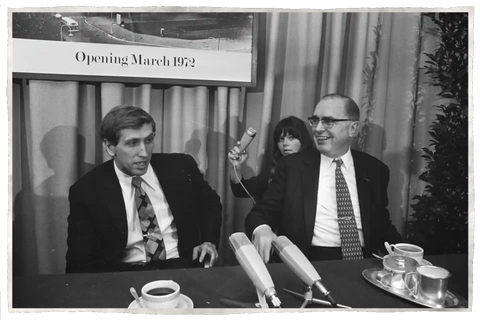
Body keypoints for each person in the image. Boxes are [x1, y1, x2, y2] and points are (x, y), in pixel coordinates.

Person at [245, 93, 403, 263]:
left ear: (353, 128)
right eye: (315, 120)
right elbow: (260, 213)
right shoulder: (292, 167)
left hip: (361, 262)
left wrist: (407, 254)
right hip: (307, 261)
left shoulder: (374, 170)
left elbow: (382, 225)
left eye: (328, 121)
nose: (318, 128)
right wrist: (262, 229)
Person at [66, 106, 222, 273]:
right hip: (126, 274)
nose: (144, 153)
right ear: (110, 147)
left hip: (181, 266)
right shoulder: (87, 191)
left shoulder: (180, 167)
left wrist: (207, 241)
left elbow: (211, 205)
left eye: (148, 140)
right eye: (132, 143)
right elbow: (79, 261)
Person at [228, 116, 314, 200]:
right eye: (280, 139)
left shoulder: (314, 168)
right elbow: (241, 191)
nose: (285, 143)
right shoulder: (275, 170)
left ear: (302, 141)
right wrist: (236, 166)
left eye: (291, 138)